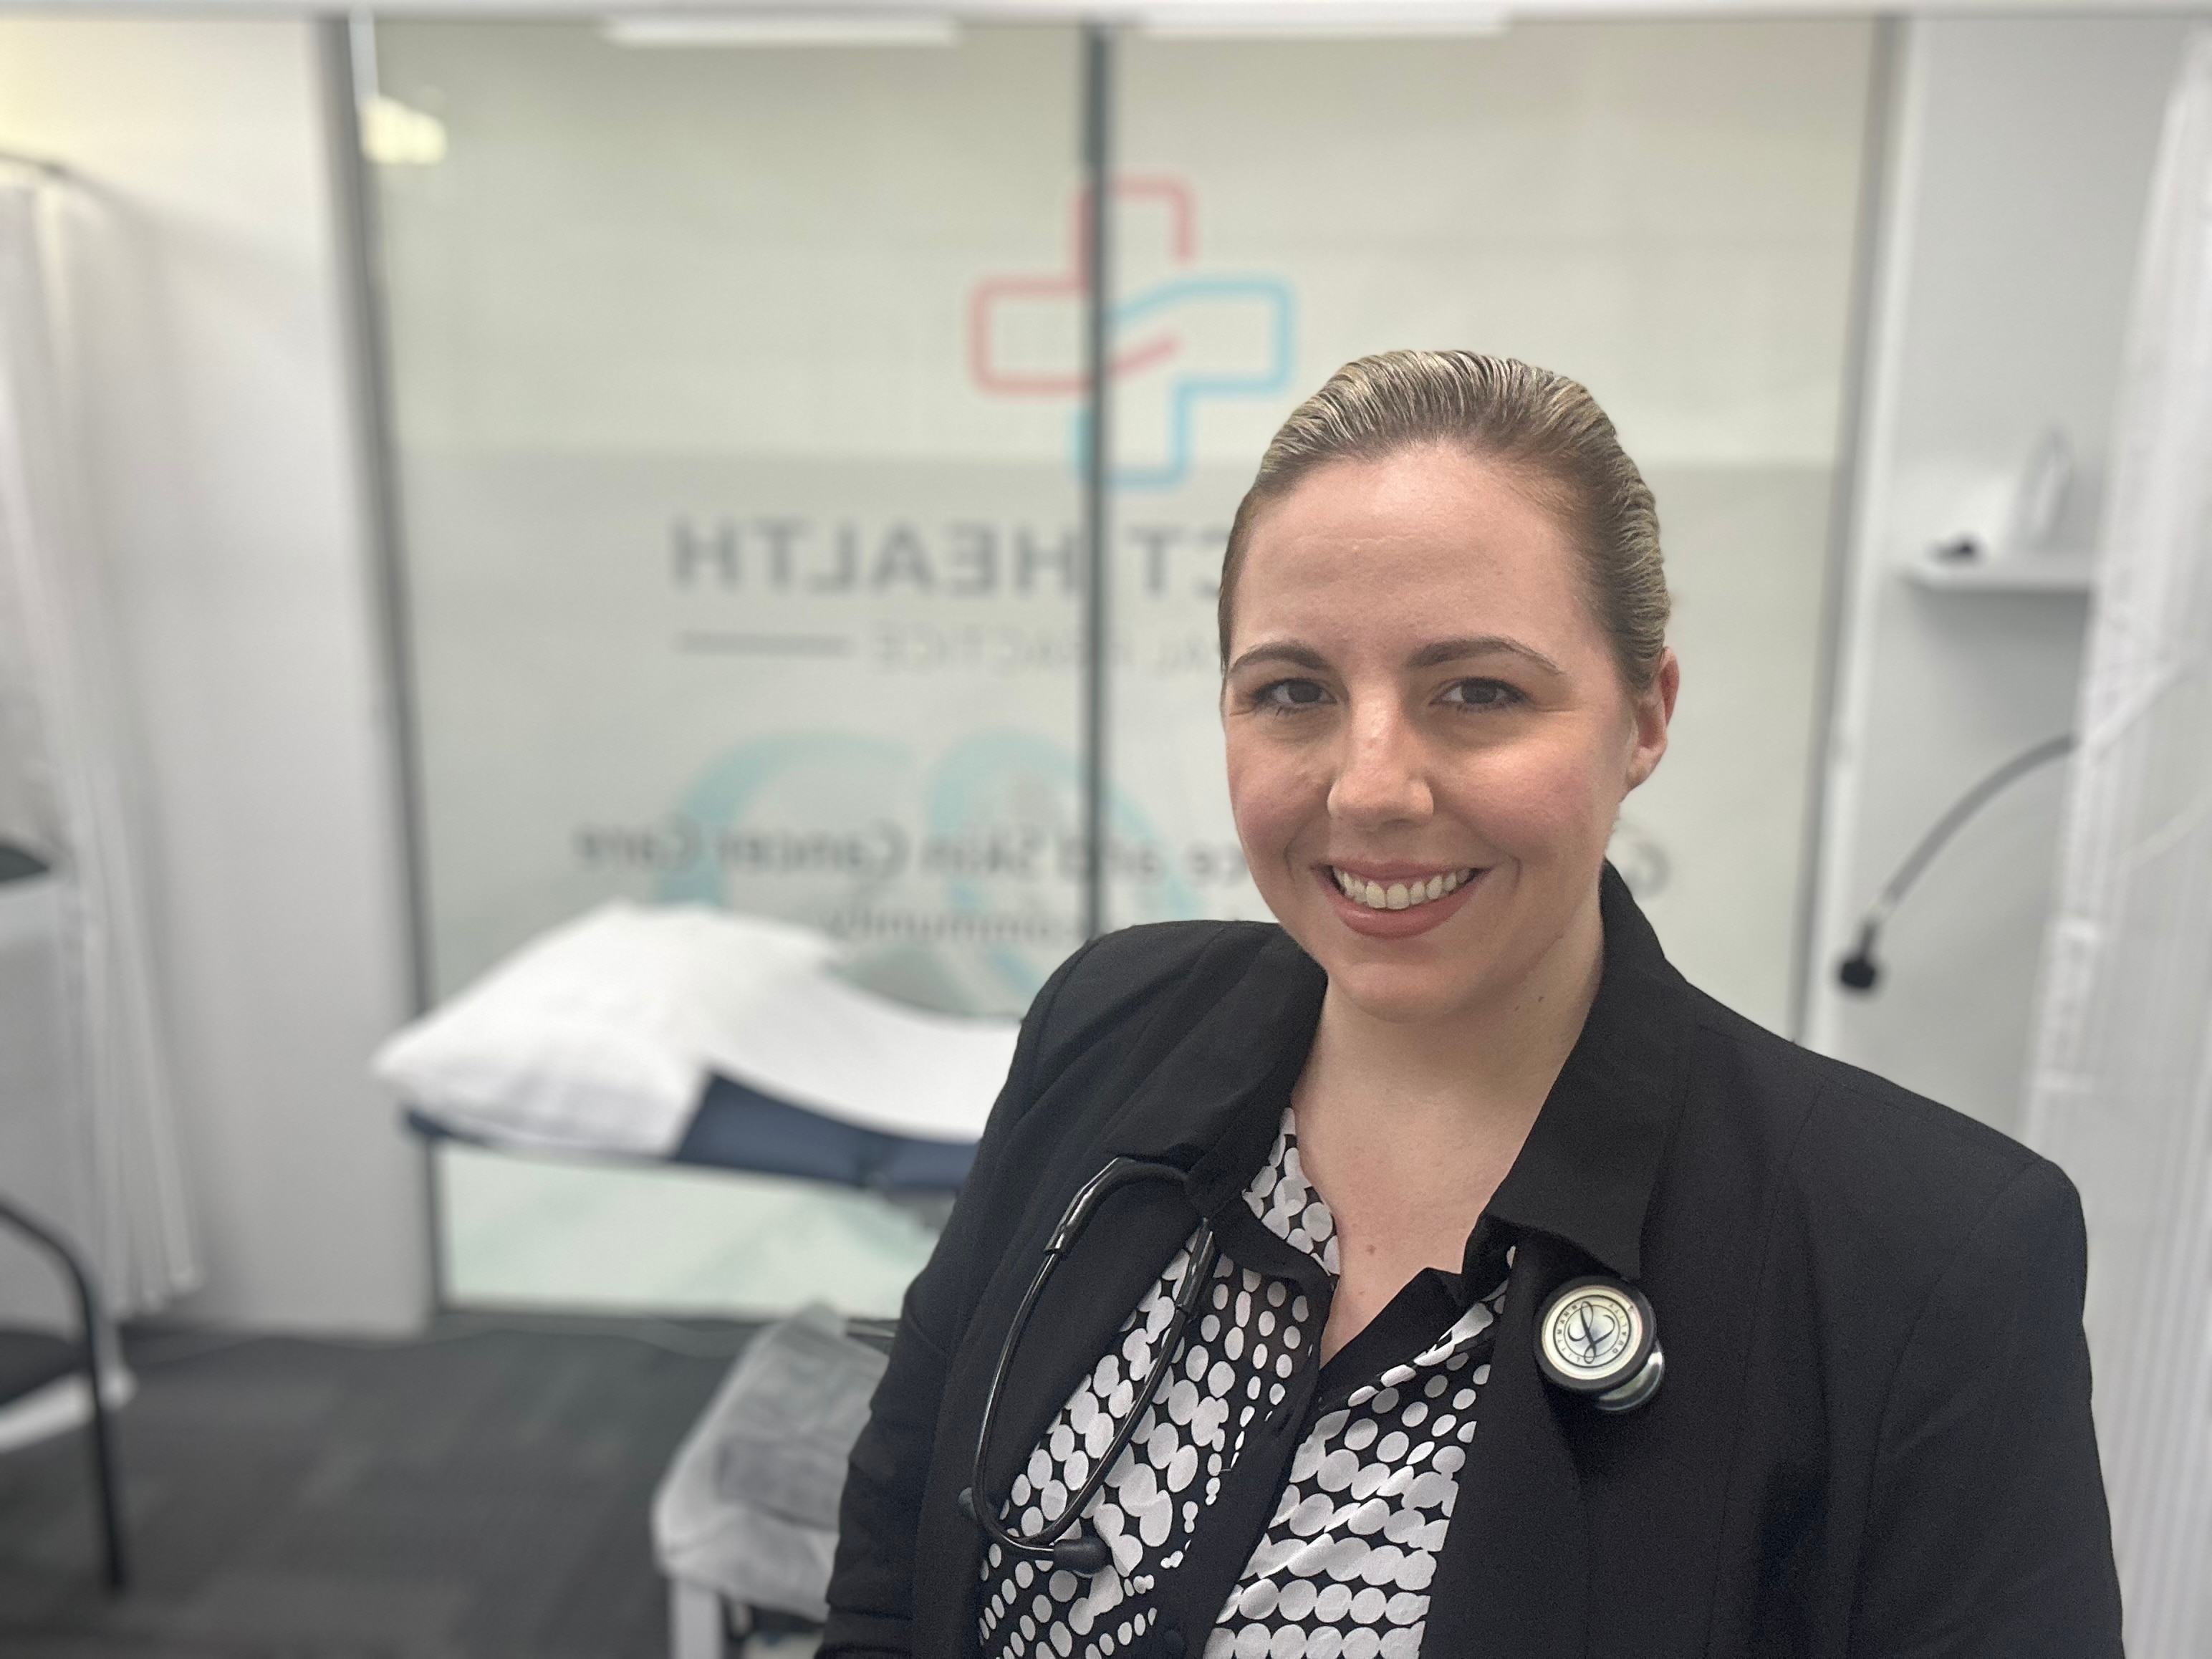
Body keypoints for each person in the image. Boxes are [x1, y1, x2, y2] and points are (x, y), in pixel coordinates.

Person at [821, 351, 2122, 1659]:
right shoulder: (1106, 1029)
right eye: (1293, 692)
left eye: (1480, 692)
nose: (1370, 789)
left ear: (1646, 716)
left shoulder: (1922, 1260)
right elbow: (891, 1570)